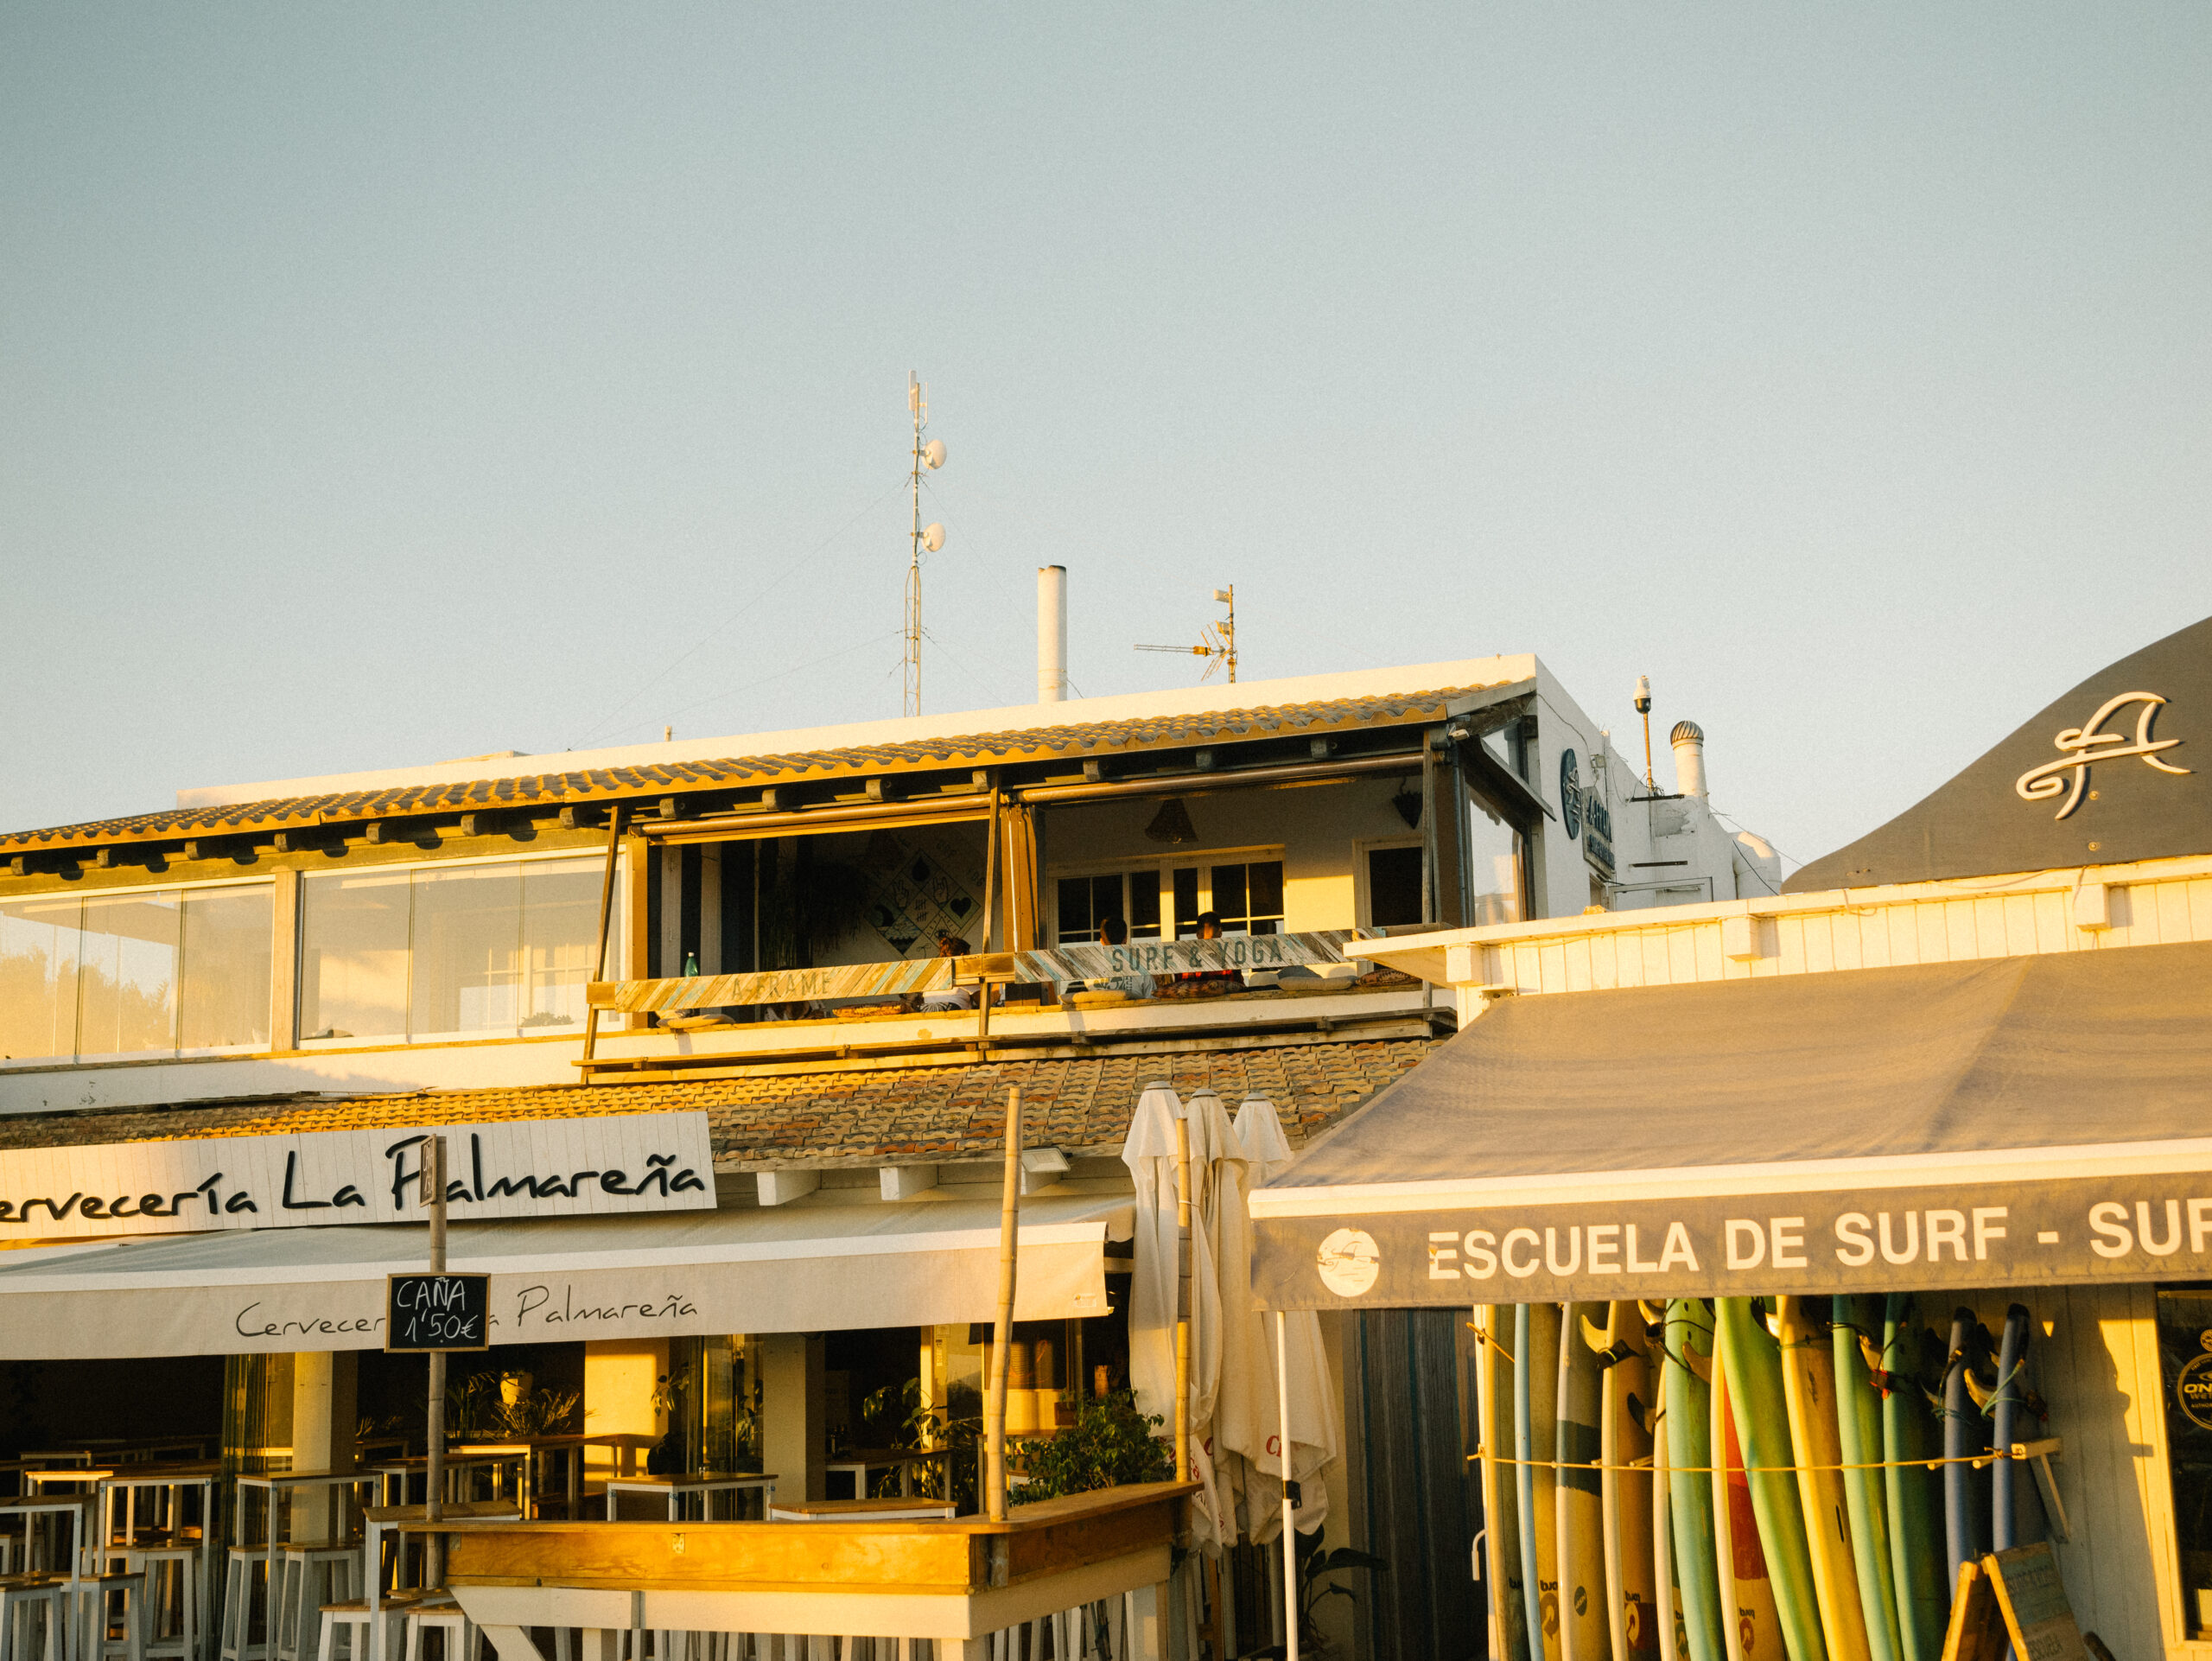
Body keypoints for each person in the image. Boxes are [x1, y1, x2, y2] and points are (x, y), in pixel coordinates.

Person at [1063, 916, 1154, 1002]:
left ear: (1102, 941)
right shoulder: (1141, 969)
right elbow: (1153, 1000)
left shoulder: (1090, 970)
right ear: (1125, 939)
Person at [1175, 910, 1243, 996]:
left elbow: (1238, 989)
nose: (1208, 947)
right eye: (1203, 941)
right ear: (1198, 935)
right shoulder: (1186, 962)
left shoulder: (1230, 960)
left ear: (1220, 933)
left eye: (1211, 940)